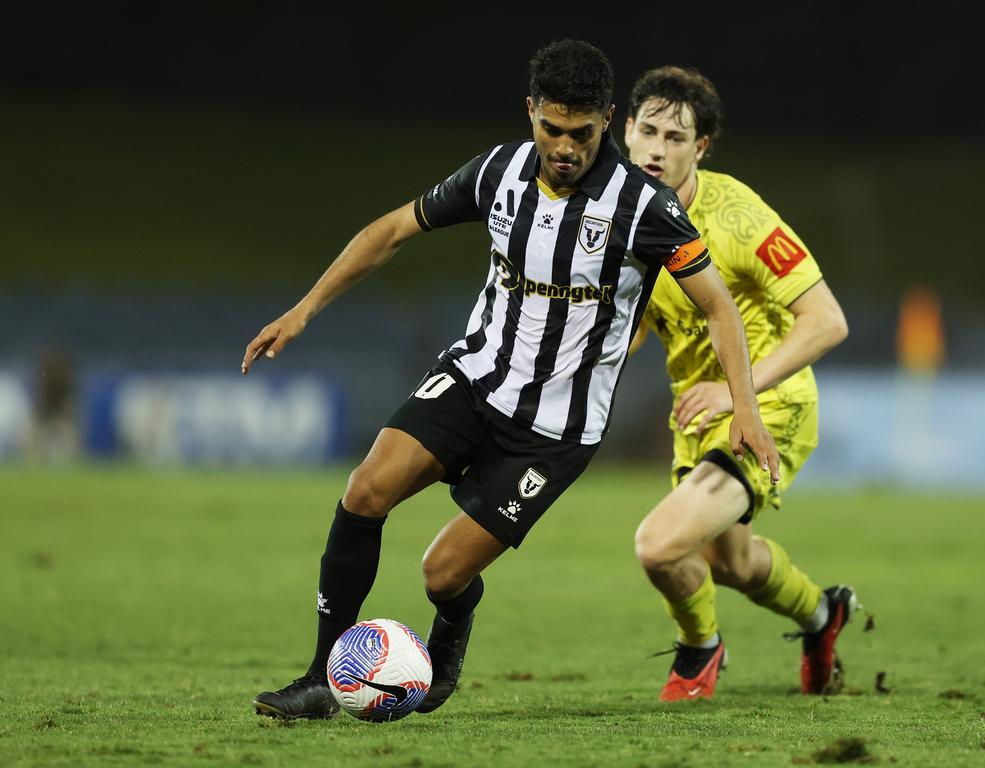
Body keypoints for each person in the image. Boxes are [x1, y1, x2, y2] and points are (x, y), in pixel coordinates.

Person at [240, 41, 779, 721]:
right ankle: (320, 677)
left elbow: (719, 307)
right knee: (364, 490)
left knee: (441, 573)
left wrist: (746, 410)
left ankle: (452, 625)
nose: (563, 146)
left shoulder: (643, 207)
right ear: (530, 111)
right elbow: (393, 230)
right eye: (550, 128)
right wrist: (304, 309)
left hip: (553, 432)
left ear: (607, 121)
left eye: (580, 133)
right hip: (473, 379)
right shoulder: (497, 172)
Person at [624, 66, 855, 700]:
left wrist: (736, 392)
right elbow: (636, 320)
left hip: (769, 406)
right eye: (648, 131)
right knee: (733, 563)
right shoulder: (620, 216)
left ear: (700, 149)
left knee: (661, 546)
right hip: (697, 415)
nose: (658, 150)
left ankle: (700, 651)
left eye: (676, 138)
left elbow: (827, 321)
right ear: (626, 131)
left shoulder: (737, 217)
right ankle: (821, 615)